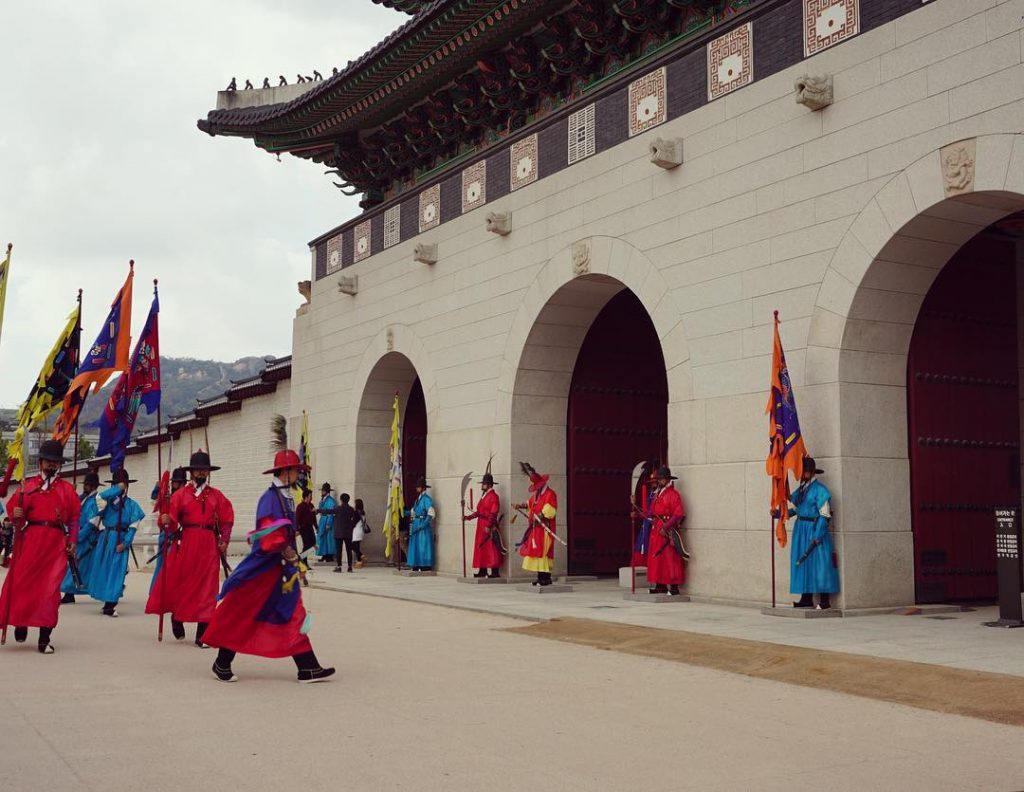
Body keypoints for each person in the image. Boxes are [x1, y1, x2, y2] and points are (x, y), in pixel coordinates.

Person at [203, 448, 335, 683]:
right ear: (285, 472)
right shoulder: (269, 499)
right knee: (245, 611)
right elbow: (267, 535)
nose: (298, 475)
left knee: (293, 611)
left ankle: (307, 666)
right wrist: (285, 549)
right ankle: (223, 661)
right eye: (296, 470)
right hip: (264, 569)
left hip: (281, 570)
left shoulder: (285, 497)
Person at [145, 450, 234, 647]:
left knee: (209, 587)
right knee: (185, 584)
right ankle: (177, 617)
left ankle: (203, 633)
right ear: (191, 471)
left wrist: (224, 540)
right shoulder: (181, 495)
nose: (201, 473)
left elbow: (227, 519)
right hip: (187, 542)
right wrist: (165, 520)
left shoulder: (216, 496)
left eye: (204, 470)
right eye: (198, 470)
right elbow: (172, 521)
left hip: (209, 544)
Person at [0, 440, 81, 653]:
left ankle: (44, 638)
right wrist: (16, 515)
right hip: (31, 540)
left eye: (56, 462)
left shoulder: (67, 490)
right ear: (42, 461)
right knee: (23, 584)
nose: (52, 465)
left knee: (50, 590)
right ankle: (20, 622)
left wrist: (72, 540)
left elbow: (74, 519)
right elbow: (15, 517)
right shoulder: (28, 486)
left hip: (56, 544)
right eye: (49, 461)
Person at [86, 468, 146, 617]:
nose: (121, 487)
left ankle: (110, 604)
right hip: (106, 538)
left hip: (120, 538)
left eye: (123, 484)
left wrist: (125, 543)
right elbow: (98, 499)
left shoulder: (132, 505)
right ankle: (107, 600)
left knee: (117, 572)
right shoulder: (106, 501)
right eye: (117, 484)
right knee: (105, 571)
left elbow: (133, 527)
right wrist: (115, 490)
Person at [788, 457, 838, 610]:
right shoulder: (802, 489)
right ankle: (806, 598)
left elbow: (824, 513)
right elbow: (797, 509)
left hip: (814, 529)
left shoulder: (820, 490)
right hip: (801, 530)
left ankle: (824, 601)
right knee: (804, 564)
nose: (802, 474)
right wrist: (779, 514)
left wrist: (818, 535)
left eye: (804, 471)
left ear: (810, 472)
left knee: (820, 564)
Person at [642, 467, 686, 596]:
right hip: (656, 529)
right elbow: (652, 512)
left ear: (667, 480)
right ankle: (660, 584)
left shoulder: (673, 494)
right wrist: (640, 512)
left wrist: (666, 527)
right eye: (658, 479)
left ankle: (673, 587)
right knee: (657, 557)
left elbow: (678, 514)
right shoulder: (657, 494)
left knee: (669, 557)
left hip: (667, 529)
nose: (659, 481)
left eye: (661, 479)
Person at [61, 471, 101, 603]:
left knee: (78, 564)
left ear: (92, 486)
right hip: (79, 534)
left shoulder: (95, 501)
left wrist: (78, 537)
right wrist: (71, 493)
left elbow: (92, 521)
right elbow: (71, 507)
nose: (85, 487)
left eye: (87, 485)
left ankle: (69, 592)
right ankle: (69, 592)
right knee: (73, 564)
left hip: (86, 537)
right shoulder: (84, 498)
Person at [515, 462, 557, 586]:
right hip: (535, 529)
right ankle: (540, 577)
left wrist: (539, 516)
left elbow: (550, 511)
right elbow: (529, 504)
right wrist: (520, 506)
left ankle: (545, 578)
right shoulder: (537, 495)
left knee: (544, 552)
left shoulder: (550, 494)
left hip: (544, 529)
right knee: (537, 552)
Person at [149, 466, 188, 595]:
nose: (177, 484)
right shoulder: (168, 497)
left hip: (182, 536)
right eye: (175, 482)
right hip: (168, 534)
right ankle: (156, 592)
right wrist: (158, 487)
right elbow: (155, 497)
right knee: (163, 566)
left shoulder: (186, 497)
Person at [466, 471, 501, 578]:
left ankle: (495, 571)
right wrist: (468, 517)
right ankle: (483, 569)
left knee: (491, 547)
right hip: (481, 524)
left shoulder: (494, 497)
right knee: (481, 547)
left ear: (489, 485)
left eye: (484, 484)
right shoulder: (485, 496)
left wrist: (489, 525)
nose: (482, 485)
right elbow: (479, 511)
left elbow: (493, 512)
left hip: (487, 524)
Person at [406, 478, 435, 571]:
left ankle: (425, 565)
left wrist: (424, 524)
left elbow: (431, 513)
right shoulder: (418, 500)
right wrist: (402, 512)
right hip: (416, 523)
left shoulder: (426, 499)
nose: (417, 488)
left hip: (423, 525)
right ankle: (416, 563)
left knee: (423, 545)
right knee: (416, 545)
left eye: (418, 487)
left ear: (422, 488)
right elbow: (412, 512)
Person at [331, 493, 358, 573]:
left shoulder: (338, 508)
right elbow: (357, 517)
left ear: (341, 500)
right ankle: (349, 567)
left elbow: (329, 511)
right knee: (348, 550)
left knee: (339, 550)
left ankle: (339, 567)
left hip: (339, 533)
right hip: (348, 532)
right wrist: (352, 525)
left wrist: (318, 510)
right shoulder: (351, 509)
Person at [315, 483, 337, 563]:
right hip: (322, 520)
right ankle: (324, 554)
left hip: (327, 520)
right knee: (322, 538)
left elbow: (331, 513)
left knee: (328, 539)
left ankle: (329, 555)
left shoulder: (331, 500)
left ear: (326, 491)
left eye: (322, 491)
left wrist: (329, 523)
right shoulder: (323, 500)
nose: (321, 492)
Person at [295, 488, 317, 555]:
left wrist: (316, 527)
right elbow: (297, 518)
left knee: (313, 543)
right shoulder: (300, 506)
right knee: (307, 545)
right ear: (306, 497)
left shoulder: (311, 505)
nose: (311, 498)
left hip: (310, 527)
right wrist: (297, 529)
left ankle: (302, 557)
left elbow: (313, 518)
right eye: (310, 496)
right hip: (303, 529)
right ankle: (303, 560)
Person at [352, 498, 368, 568]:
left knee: (353, 545)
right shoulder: (363, 512)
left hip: (356, 531)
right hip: (360, 531)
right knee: (356, 546)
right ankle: (359, 561)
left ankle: (361, 557)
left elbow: (353, 523)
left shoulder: (356, 513)